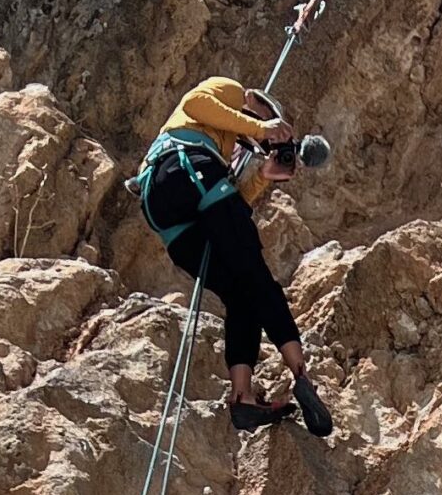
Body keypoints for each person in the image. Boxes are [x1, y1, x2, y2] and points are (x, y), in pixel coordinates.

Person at [133, 76, 332, 436]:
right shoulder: (228, 92)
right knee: (258, 279)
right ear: (255, 100)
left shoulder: (223, 154)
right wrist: (262, 125)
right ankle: (302, 373)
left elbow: (228, 209)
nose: (262, 137)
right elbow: (196, 104)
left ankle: (242, 397)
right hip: (182, 167)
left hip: (171, 215)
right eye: (269, 121)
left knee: (241, 297)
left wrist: (264, 177)